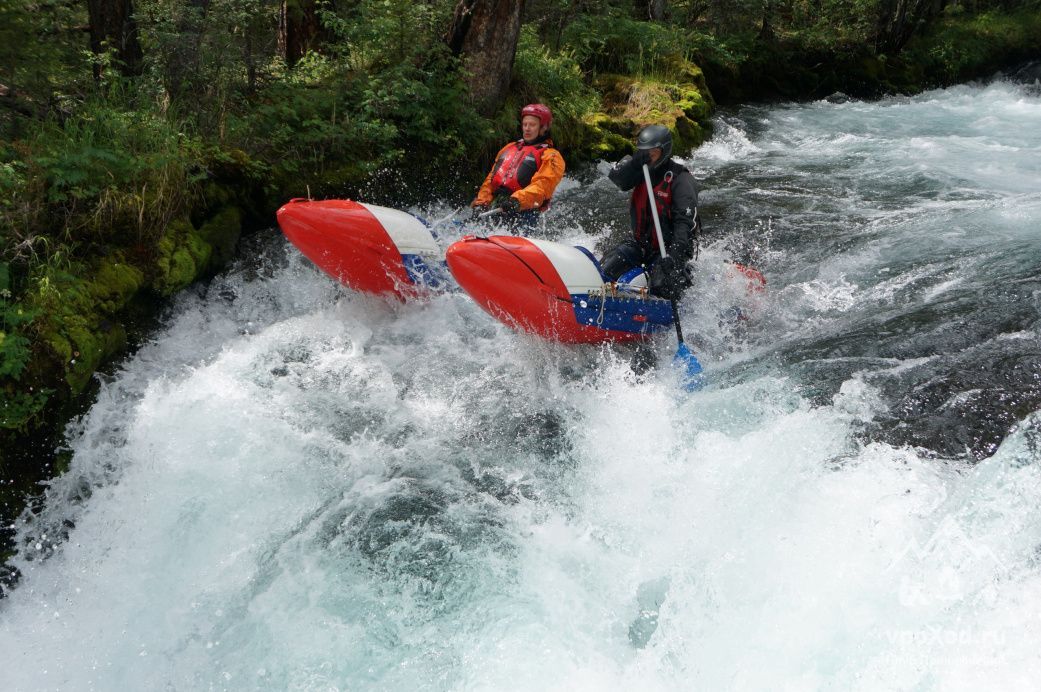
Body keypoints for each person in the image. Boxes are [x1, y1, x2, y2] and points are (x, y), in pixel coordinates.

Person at [601, 124, 700, 300]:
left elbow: (684, 224)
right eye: (643, 151)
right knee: (606, 268)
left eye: (652, 152)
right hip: (641, 243)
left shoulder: (681, 180)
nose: (648, 156)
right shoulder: (639, 169)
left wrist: (674, 257)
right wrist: (633, 164)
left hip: (670, 248)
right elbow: (619, 180)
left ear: (664, 151)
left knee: (662, 285)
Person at [471, 103, 566, 232]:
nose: (527, 128)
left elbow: (543, 186)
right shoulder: (509, 148)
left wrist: (516, 201)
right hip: (497, 207)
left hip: (524, 213)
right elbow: (490, 180)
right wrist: (481, 202)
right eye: (525, 124)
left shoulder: (552, 156)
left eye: (532, 125)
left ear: (543, 128)